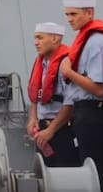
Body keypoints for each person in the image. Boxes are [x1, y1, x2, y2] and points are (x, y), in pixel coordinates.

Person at [58, 0, 103, 192]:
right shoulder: (85, 41)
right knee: (88, 169)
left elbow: (101, 89)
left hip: (97, 111)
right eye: (67, 14)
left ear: (89, 13)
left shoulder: (98, 43)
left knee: (99, 170)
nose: (69, 19)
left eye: (74, 14)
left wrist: (69, 72)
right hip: (85, 111)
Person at [26, 22, 80, 168]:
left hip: (62, 130)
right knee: (45, 175)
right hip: (43, 130)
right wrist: (33, 119)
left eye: (40, 38)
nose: (36, 43)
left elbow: (71, 102)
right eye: (35, 38)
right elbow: (35, 96)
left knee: (66, 174)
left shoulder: (65, 64)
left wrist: (51, 130)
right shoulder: (42, 63)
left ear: (55, 39)